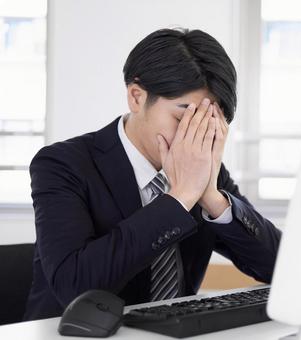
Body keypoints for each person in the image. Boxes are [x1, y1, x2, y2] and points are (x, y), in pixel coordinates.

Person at [24, 28, 281, 320]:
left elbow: (280, 268)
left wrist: (211, 197)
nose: (195, 135)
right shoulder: (62, 164)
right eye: (184, 118)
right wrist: (180, 197)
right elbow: (75, 286)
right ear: (136, 97)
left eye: (210, 122)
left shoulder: (204, 169)